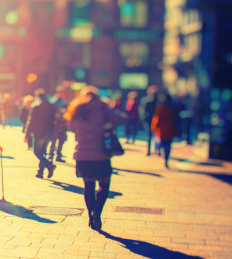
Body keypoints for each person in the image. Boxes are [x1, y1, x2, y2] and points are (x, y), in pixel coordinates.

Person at [65, 85, 126, 231]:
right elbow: (121, 119)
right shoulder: (103, 108)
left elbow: (71, 126)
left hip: (83, 156)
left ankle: (91, 215)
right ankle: (96, 213)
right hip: (101, 156)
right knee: (104, 187)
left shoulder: (77, 109)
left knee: (88, 186)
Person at [25, 89, 57, 179]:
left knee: (37, 152)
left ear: (37, 96)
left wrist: (27, 134)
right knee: (43, 152)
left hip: (38, 132)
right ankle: (40, 172)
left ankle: (49, 165)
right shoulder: (51, 106)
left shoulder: (36, 106)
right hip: (49, 132)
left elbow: (30, 121)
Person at [151, 93, 179, 168]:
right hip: (171, 127)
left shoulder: (160, 107)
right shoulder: (173, 107)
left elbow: (157, 118)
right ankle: (166, 158)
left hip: (162, 128)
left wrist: (155, 127)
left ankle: (163, 154)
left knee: (163, 142)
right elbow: (176, 118)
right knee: (168, 144)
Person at [140, 85, 159, 155]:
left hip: (154, 119)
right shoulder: (146, 100)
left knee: (155, 135)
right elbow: (143, 110)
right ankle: (151, 150)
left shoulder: (156, 100)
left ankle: (156, 150)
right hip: (150, 119)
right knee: (150, 135)